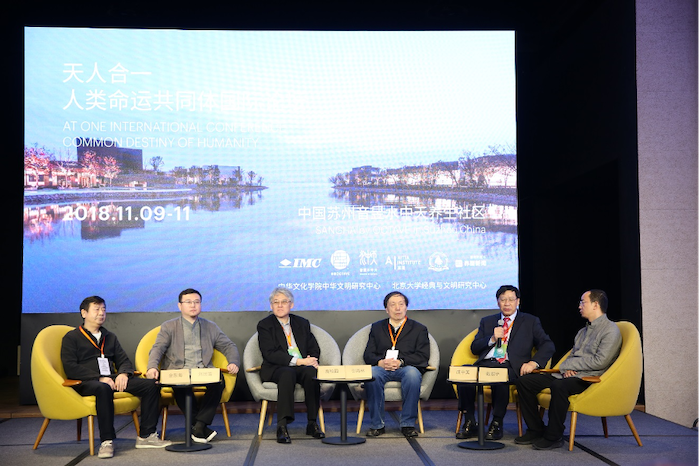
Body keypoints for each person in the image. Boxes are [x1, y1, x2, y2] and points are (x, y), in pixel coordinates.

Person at [61, 296, 171, 459]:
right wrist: (99, 378)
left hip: (111, 379)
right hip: (86, 382)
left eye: (103, 309)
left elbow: (124, 361)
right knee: (103, 387)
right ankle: (107, 441)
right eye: (96, 309)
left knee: (151, 384)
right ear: (84, 313)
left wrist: (123, 374)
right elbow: (70, 367)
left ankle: (146, 436)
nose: (101, 313)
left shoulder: (109, 337)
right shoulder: (72, 337)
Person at [515, 289, 622, 450]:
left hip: (589, 378)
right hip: (569, 374)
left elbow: (600, 361)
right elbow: (571, 357)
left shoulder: (610, 330)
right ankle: (536, 429)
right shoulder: (582, 331)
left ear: (595, 305)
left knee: (559, 386)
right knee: (524, 382)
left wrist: (569, 367)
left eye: (583, 302)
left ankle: (554, 436)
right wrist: (567, 369)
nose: (579, 306)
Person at [456, 285, 555, 440]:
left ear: (518, 301)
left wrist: (533, 363)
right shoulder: (487, 321)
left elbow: (548, 345)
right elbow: (474, 348)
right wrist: (492, 338)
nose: (507, 303)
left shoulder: (530, 321)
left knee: (499, 376)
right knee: (465, 374)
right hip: (487, 363)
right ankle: (470, 421)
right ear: (498, 302)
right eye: (503, 300)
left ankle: (496, 423)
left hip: (511, 366)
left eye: (510, 300)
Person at [146, 288, 240, 444]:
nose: (193, 305)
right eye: (188, 302)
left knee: (219, 381)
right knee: (180, 384)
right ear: (180, 305)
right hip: (179, 371)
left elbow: (229, 345)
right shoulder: (169, 326)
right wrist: (152, 367)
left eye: (197, 302)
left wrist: (233, 362)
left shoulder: (210, 326)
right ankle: (200, 428)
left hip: (203, 371)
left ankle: (198, 425)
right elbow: (158, 348)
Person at [257, 287, 325, 444]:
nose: (280, 305)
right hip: (276, 367)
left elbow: (313, 347)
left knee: (311, 374)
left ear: (291, 305)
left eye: (284, 302)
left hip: (301, 366)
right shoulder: (265, 325)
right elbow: (270, 353)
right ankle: (282, 426)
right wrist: (299, 361)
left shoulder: (302, 323)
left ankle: (312, 423)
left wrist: (312, 359)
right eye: (276, 302)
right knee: (287, 373)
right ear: (271, 306)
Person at [363, 291, 430, 438]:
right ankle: (377, 425)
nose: (397, 308)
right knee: (372, 375)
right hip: (382, 368)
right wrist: (380, 362)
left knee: (412, 375)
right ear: (387, 309)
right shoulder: (377, 327)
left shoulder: (419, 329)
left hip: (406, 367)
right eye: (393, 305)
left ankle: (407, 424)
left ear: (406, 307)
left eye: (401, 304)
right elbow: (368, 355)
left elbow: (423, 356)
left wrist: (401, 362)